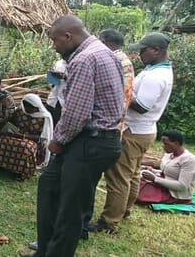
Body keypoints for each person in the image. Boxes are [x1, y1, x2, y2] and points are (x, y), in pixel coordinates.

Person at [26, 15, 124, 257]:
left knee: (69, 210)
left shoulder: (84, 59)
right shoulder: (103, 52)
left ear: (68, 36)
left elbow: (76, 114)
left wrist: (58, 140)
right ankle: (44, 251)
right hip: (92, 140)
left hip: (91, 141)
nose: (54, 46)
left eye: (55, 40)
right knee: (49, 186)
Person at [89, 32, 174, 233]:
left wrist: (122, 91)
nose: (140, 54)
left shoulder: (156, 77)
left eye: (143, 50)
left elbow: (142, 105)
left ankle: (109, 221)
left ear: (156, 50)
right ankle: (124, 210)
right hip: (144, 130)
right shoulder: (157, 70)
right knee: (133, 174)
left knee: (118, 176)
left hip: (134, 130)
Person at [82, 29, 135, 237]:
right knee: (99, 179)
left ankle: (103, 221)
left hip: (105, 130)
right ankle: (94, 219)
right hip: (115, 128)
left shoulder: (112, 61)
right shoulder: (124, 62)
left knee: (98, 179)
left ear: (104, 42)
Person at [0, 94, 53, 179]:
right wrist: (10, 130)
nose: (27, 110)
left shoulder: (44, 117)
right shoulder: (20, 111)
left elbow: (42, 137)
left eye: (30, 108)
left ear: (36, 107)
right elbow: (12, 122)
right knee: (3, 141)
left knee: (25, 147)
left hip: (33, 140)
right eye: (25, 107)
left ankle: (21, 172)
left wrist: (23, 136)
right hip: (16, 135)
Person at [138, 130, 195, 204]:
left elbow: (182, 186)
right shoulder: (168, 155)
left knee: (138, 193)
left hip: (174, 194)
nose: (163, 146)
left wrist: (155, 179)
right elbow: (168, 173)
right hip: (162, 185)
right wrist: (153, 171)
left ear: (176, 143)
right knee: (135, 183)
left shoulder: (189, 160)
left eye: (166, 144)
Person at [45, 59, 67, 126]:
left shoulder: (76, 64)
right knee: (49, 125)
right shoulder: (58, 63)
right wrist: (52, 77)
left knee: (59, 125)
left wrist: (65, 77)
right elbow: (51, 84)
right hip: (52, 101)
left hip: (64, 102)